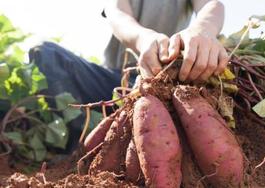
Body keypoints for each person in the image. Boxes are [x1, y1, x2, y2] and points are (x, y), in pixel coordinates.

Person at [29, 0, 228, 151]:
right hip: (116, 82)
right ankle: (84, 148)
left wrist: (202, 31)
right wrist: (144, 39)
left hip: (164, 80)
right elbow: (117, 14)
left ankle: (125, 141)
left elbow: (212, 4)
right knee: (45, 53)